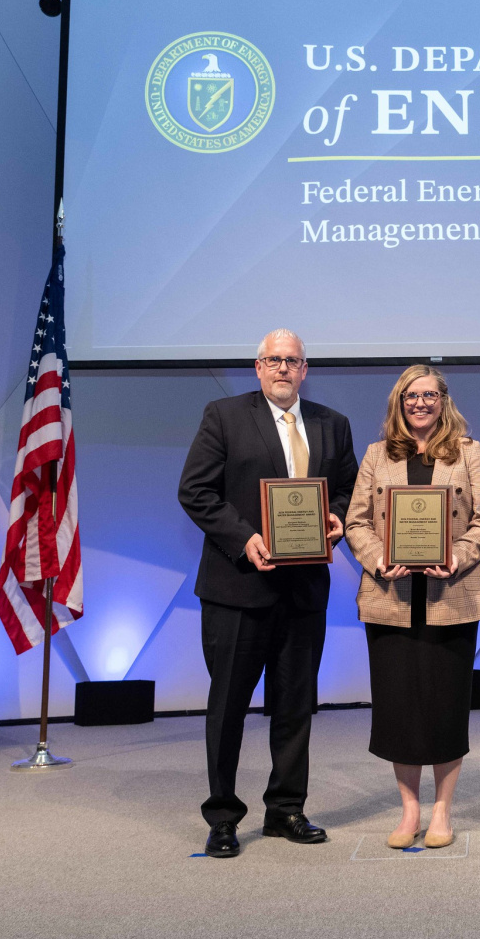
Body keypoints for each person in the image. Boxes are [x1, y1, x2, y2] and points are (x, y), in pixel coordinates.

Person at [178, 328, 358, 857]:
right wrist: (245, 539)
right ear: (258, 367)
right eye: (273, 360)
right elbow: (195, 490)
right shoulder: (224, 415)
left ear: (305, 370)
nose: (283, 368)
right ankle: (223, 817)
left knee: (295, 706)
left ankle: (285, 809)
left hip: (303, 592)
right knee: (227, 707)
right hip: (238, 588)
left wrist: (336, 518)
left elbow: (348, 488)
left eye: (292, 361)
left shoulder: (332, 423)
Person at [345, 365, 480, 849]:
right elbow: (356, 522)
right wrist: (378, 558)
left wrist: (456, 556)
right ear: (399, 401)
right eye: (411, 396)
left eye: (430, 395)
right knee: (398, 709)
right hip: (390, 601)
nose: (420, 403)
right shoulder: (376, 455)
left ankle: (442, 810)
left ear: (443, 401)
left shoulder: (469, 452)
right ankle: (409, 810)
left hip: (451, 599)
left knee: (445, 707)